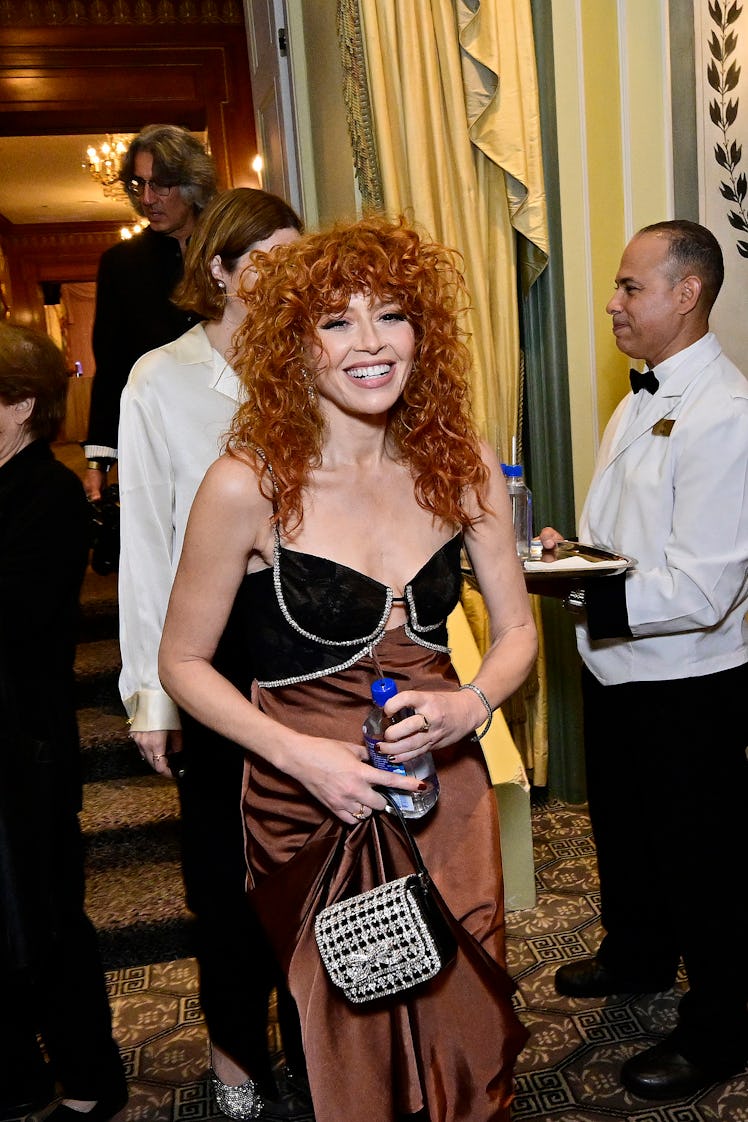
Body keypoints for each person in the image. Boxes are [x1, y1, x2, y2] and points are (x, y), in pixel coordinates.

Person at [158, 215, 537, 1121]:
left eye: (392, 316)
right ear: (298, 343)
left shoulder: (461, 467)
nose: (370, 344)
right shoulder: (246, 484)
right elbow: (181, 662)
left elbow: (520, 630)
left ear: (423, 334)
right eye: (337, 322)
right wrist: (302, 757)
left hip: (446, 788)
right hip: (307, 800)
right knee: (347, 1024)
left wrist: (473, 704)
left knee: (461, 1003)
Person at [540, 220, 748, 1101]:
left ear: (686, 294)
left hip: (691, 685)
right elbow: (631, 542)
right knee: (624, 833)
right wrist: (570, 553)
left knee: (705, 865)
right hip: (619, 670)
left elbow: (702, 590)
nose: (615, 304)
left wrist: (576, 590)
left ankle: (724, 1029)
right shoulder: (636, 400)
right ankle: (638, 955)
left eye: (631, 287)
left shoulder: (728, 416)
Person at [117, 187, 308, 1121]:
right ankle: (238, 1060)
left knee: (320, 863)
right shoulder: (161, 379)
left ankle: (324, 1044)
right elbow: (147, 541)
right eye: (265, 258)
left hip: (314, 645)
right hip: (211, 654)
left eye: (297, 257)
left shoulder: (324, 362)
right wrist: (152, 693)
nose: (288, 278)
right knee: (226, 875)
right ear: (221, 270)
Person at [0, 324, 128, 1122]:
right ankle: (15, 1082)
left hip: (26, 750)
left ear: (19, 405)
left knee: (47, 921)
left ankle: (88, 1078)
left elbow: (14, 619)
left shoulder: (45, 495)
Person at [83, 123, 217, 500]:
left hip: (237, 429)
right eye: (139, 184)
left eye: (161, 184)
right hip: (161, 440)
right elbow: (111, 367)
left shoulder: (235, 249)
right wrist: (98, 460)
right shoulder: (121, 264)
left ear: (192, 185)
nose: (148, 198)